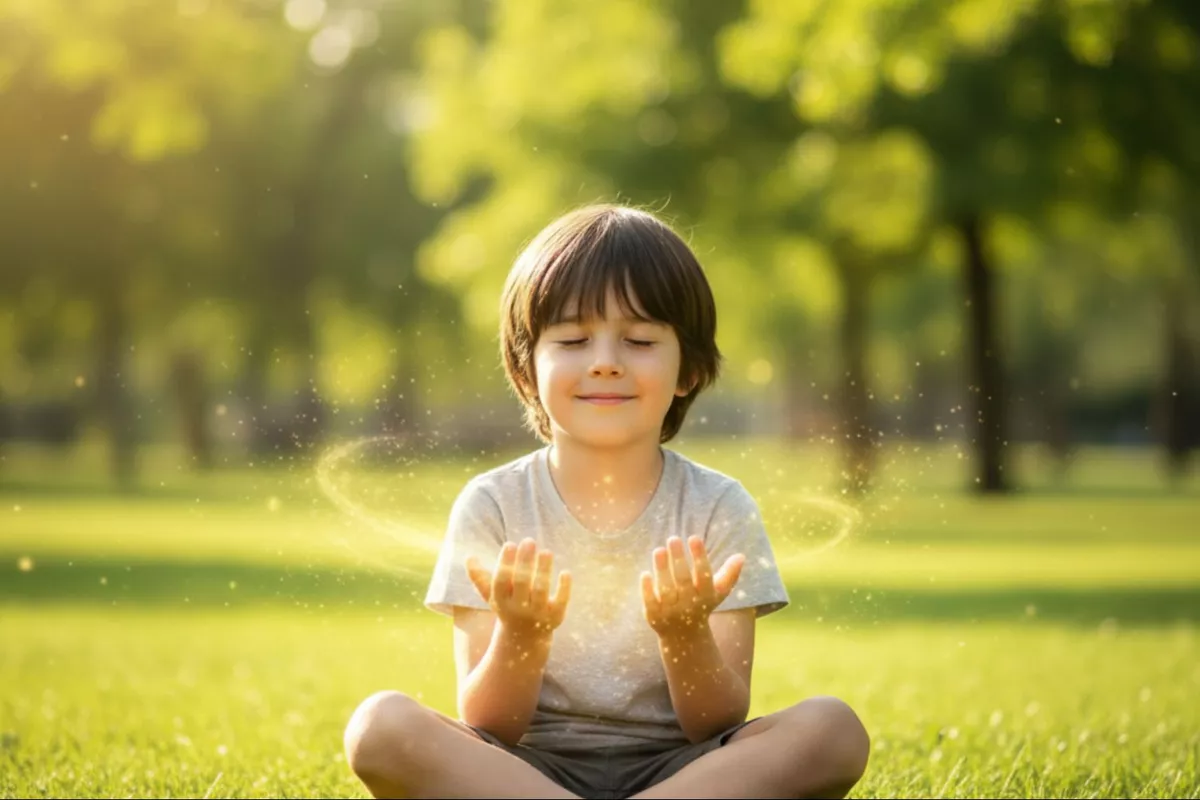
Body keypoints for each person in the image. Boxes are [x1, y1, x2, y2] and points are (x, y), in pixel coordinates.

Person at [343, 205, 870, 799]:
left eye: (640, 339)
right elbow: (490, 725)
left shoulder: (719, 505)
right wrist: (522, 635)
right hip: (523, 773)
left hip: (684, 773)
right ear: (525, 369)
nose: (605, 360)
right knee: (379, 726)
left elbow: (716, 722)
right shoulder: (491, 504)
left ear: (688, 371)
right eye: (572, 338)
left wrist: (684, 632)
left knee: (833, 729)